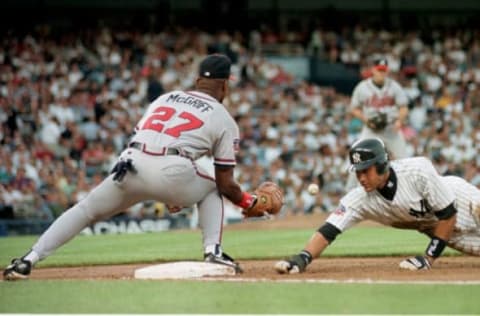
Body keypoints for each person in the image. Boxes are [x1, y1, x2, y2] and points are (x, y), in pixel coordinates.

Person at [3, 54, 257, 280]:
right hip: (171, 171)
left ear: (197, 79)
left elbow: (146, 135)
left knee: (85, 210)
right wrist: (248, 202)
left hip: (130, 164)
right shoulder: (223, 117)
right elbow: (225, 183)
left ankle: (28, 259)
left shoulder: (165, 98)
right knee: (213, 186)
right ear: (225, 84)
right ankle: (213, 251)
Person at [275, 138, 480, 274]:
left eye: (366, 171)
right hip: (444, 232)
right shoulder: (359, 199)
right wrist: (302, 258)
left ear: (383, 165)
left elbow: (449, 213)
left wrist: (427, 259)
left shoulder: (418, 171)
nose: (361, 178)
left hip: (464, 201)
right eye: (357, 172)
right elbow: (329, 230)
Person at [346, 57, 409, 190]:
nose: (382, 73)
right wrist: (366, 120)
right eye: (379, 70)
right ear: (373, 70)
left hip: (390, 128)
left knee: (404, 160)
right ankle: (350, 193)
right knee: (357, 155)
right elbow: (354, 108)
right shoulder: (362, 87)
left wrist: (399, 121)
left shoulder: (394, 86)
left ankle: (406, 190)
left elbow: (403, 107)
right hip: (371, 129)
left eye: (384, 70)